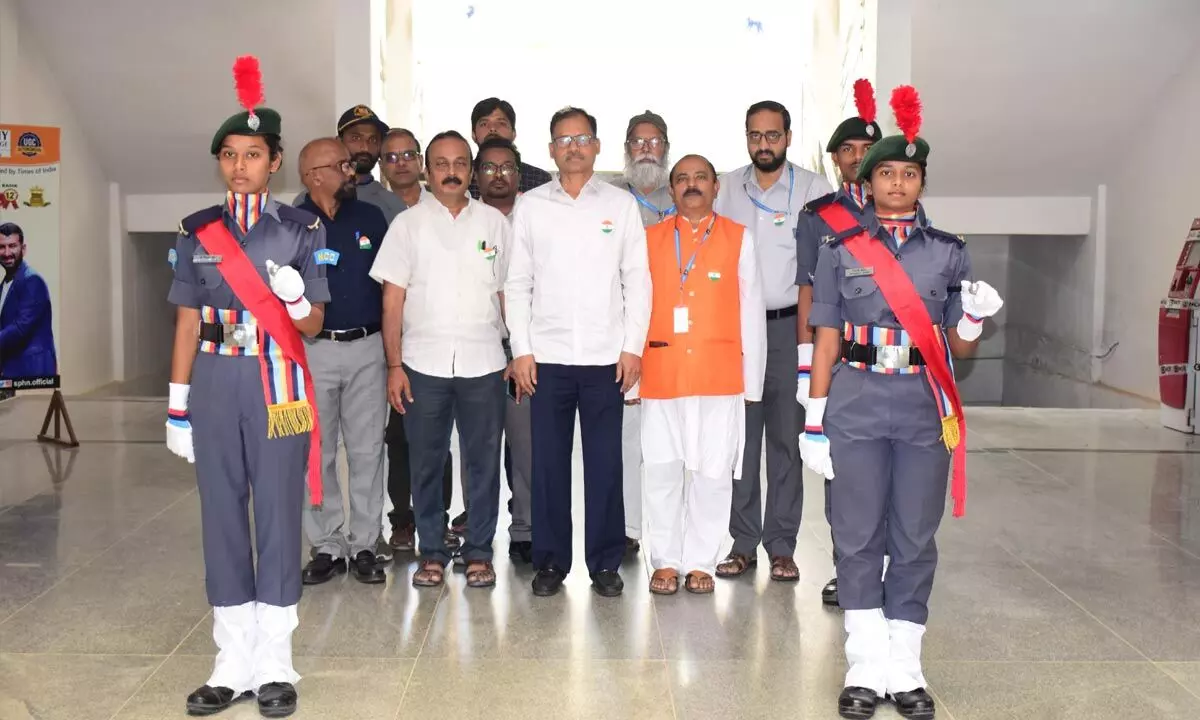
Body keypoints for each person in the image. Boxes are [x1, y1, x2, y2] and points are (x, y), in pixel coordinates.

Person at [800, 86, 1004, 719]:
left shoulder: (948, 250)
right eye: (885, 171)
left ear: (921, 182)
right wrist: (814, 417)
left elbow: (959, 350)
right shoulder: (839, 248)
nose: (895, 182)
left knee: (915, 538)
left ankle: (906, 669)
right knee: (857, 537)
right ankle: (865, 666)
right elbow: (826, 335)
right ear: (868, 176)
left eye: (907, 174)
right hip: (856, 402)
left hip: (922, 405)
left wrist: (969, 321)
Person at [165, 56, 329, 718]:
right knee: (221, 515)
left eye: (253, 154)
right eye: (229, 154)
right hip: (213, 383)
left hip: (280, 384)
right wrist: (177, 405)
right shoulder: (197, 230)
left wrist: (293, 301)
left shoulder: (300, 231)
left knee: (280, 511)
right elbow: (184, 318)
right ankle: (231, 663)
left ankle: (276, 664)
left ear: (275, 162)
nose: (240, 165)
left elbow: (315, 324)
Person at [506, 106, 651, 598]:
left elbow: (638, 281)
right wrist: (522, 350)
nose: (573, 146)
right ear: (550, 150)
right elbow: (517, 281)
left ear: (596, 147)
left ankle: (606, 562)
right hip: (545, 358)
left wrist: (633, 349)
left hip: (606, 359)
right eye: (563, 140)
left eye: (582, 138)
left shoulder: (620, 204)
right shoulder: (531, 206)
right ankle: (550, 562)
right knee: (547, 463)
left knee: (606, 463)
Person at [371, 130, 510, 589]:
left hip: (485, 361)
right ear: (428, 172)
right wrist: (394, 366)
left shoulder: (495, 224)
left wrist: (517, 351)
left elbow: (510, 294)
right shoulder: (407, 226)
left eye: (460, 163)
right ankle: (431, 552)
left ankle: (479, 553)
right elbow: (392, 303)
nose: (451, 172)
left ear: (470, 170)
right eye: (441, 164)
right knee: (426, 461)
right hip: (422, 364)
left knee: (483, 462)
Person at [713, 101, 833, 582]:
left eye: (773, 135)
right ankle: (742, 543)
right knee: (741, 440)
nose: (764, 144)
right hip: (736, 331)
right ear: (746, 137)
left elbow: (825, 268)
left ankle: (781, 545)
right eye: (755, 135)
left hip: (792, 329)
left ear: (788, 136)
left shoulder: (813, 189)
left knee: (787, 438)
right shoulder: (724, 189)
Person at [640, 154, 766, 596]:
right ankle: (666, 560)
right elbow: (635, 308)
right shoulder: (648, 239)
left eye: (701, 178)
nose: (691, 185)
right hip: (661, 372)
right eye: (682, 179)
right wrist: (633, 378)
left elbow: (752, 311)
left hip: (719, 375)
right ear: (671, 190)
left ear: (716, 187)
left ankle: (700, 561)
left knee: (713, 471)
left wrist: (753, 384)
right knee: (661, 468)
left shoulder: (739, 238)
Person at [795, 79, 882, 607]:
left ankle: (886, 569)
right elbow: (808, 289)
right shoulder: (819, 215)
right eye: (847, 150)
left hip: (895, 364)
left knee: (894, 477)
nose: (856, 158)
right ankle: (846, 569)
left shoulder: (904, 209)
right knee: (843, 476)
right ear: (834, 160)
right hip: (843, 364)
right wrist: (809, 370)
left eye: (866, 149)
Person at [295, 138, 390, 586]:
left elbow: (392, 289)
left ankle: (367, 542)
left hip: (368, 348)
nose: (351, 171)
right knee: (316, 451)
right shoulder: (291, 224)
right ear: (315, 175)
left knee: (368, 449)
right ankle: (327, 544)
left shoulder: (371, 217)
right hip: (313, 351)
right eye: (341, 165)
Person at [611, 109, 674, 555]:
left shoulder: (688, 192)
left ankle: (673, 533)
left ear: (666, 148)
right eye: (638, 141)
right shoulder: (610, 198)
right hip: (624, 332)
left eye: (654, 142)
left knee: (673, 438)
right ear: (626, 148)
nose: (646, 149)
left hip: (677, 333)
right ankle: (629, 529)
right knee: (626, 437)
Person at [475, 136, 533, 563]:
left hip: (524, 348)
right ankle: (477, 532)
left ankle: (526, 528)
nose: (499, 176)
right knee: (479, 447)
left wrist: (521, 348)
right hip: (476, 348)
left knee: (526, 445)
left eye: (507, 168)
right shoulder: (465, 219)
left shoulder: (536, 215)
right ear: (477, 176)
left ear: (519, 173)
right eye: (490, 168)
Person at [294, 104, 406, 225]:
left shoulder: (392, 205)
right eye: (356, 138)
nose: (365, 147)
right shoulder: (309, 200)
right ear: (338, 142)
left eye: (373, 140)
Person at [466, 97, 553, 201]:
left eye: (501, 123)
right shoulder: (463, 178)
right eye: (484, 124)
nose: (492, 128)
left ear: (514, 133)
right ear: (473, 134)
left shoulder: (539, 179)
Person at [0, 222, 57, 379]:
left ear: (23, 249)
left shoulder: (32, 280)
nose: (6, 252)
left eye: (12, 246)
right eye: (2, 247)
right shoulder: (5, 284)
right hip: (12, 369)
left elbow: (20, 328)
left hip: (32, 370)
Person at [381, 129, 427, 209]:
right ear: (381, 166)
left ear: (420, 161)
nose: (401, 163)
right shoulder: (373, 211)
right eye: (391, 157)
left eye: (409, 155)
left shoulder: (443, 204)